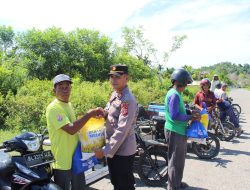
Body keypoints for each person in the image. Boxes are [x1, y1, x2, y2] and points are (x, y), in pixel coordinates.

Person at [46, 74, 105, 190]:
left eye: (67, 86)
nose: (65, 90)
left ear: (71, 88)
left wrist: (91, 117)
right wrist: (90, 115)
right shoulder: (54, 108)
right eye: (61, 87)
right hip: (62, 161)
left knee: (79, 187)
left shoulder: (68, 105)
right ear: (54, 90)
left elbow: (78, 126)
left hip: (76, 157)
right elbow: (72, 129)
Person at [94, 64, 138, 190]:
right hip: (113, 148)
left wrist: (105, 151)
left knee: (124, 185)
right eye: (111, 77)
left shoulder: (127, 99)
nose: (113, 80)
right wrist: (103, 113)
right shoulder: (115, 94)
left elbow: (122, 129)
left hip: (122, 150)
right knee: (116, 182)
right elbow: (110, 112)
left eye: (117, 77)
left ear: (126, 78)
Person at [164, 68, 201, 190]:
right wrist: (191, 117)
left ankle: (177, 183)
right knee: (175, 160)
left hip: (178, 130)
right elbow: (175, 115)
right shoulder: (174, 95)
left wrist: (189, 111)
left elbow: (179, 111)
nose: (186, 86)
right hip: (175, 131)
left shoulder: (175, 93)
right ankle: (173, 187)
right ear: (182, 83)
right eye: (186, 84)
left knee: (179, 160)